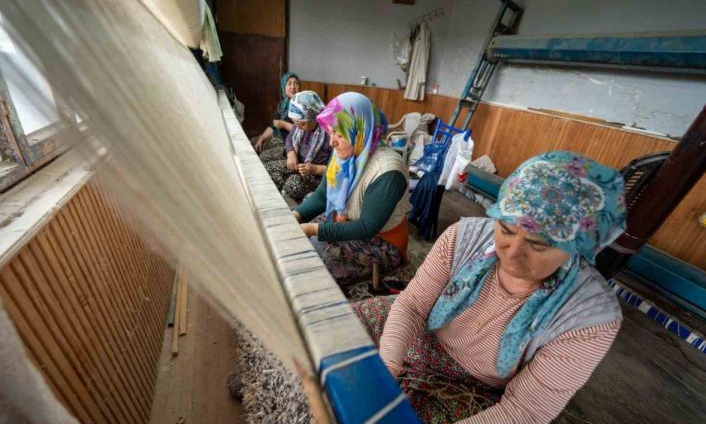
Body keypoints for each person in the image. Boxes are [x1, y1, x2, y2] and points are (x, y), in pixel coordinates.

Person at [353, 151, 627, 423]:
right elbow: (412, 306)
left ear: (579, 245)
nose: (512, 253)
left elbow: (524, 411)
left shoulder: (588, 318)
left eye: (538, 245)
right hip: (422, 334)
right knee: (340, 331)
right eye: (506, 229)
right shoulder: (463, 239)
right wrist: (388, 366)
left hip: (470, 386)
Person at [294, 92, 411, 288]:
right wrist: (296, 216)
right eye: (330, 132)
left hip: (382, 239)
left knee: (326, 262)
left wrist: (313, 229)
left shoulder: (388, 171)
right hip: (348, 219)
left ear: (360, 131)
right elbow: (322, 195)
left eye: (339, 135)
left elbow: (367, 227)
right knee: (306, 213)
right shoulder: (344, 153)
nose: (332, 142)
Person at [264, 90, 332, 201]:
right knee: (267, 169)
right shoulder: (299, 123)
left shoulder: (330, 134)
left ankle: (289, 193)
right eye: (296, 123)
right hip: (298, 164)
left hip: (316, 175)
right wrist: (291, 153)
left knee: (292, 185)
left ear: (315, 117)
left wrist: (315, 169)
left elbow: (337, 168)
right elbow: (290, 139)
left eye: (303, 124)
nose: (298, 127)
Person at [250, 72, 300, 161]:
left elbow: (302, 132)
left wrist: (284, 125)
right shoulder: (282, 105)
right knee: (252, 143)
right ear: (283, 86)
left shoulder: (301, 105)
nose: (293, 87)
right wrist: (261, 139)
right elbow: (272, 126)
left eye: (296, 83)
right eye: (289, 84)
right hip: (276, 138)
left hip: (288, 144)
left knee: (262, 157)